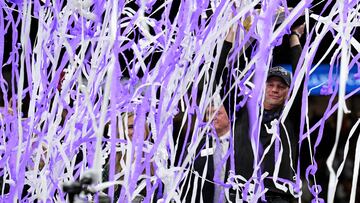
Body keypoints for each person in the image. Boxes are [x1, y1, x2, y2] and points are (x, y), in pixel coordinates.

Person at [215, 19, 305, 202]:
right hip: (240, 194)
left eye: (281, 86)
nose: (274, 89)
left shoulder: (290, 116)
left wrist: (294, 37)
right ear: (261, 87)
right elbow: (222, 76)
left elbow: (301, 78)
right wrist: (233, 31)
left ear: (289, 92)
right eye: (270, 84)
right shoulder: (241, 111)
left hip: (278, 197)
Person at [181, 102, 233, 203]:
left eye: (217, 113)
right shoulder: (194, 147)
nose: (213, 117)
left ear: (229, 115)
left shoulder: (241, 143)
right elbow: (186, 183)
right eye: (208, 114)